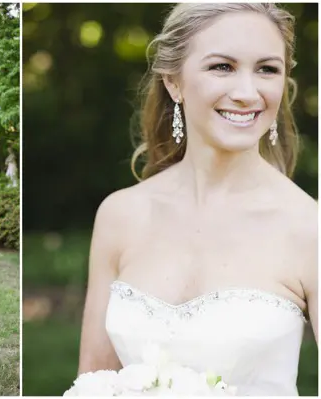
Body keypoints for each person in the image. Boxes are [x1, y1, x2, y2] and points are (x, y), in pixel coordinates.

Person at [77, 3, 317, 395]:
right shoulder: (119, 215)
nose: (246, 93)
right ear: (174, 82)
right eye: (222, 67)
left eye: (267, 69)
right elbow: (93, 383)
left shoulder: (309, 228)